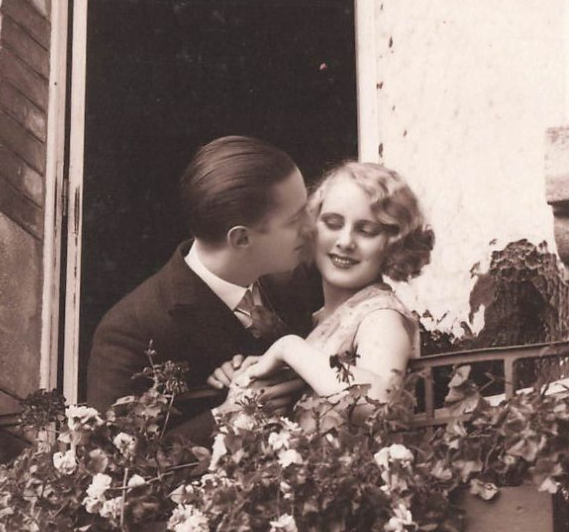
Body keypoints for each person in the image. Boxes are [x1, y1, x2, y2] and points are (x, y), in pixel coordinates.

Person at [86, 135, 321, 440]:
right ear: (241, 239)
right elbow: (112, 463)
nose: (311, 225)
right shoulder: (131, 330)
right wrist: (225, 416)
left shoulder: (297, 273)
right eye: (295, 219)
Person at [212, 161, 434, 411]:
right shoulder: (320, 318)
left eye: (367, 230)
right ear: (311, 228)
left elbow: (379, 405)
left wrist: (289, 348)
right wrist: (249, 372)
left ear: (394, 244)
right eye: (333, 223)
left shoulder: (380, 315)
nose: (345, 241)